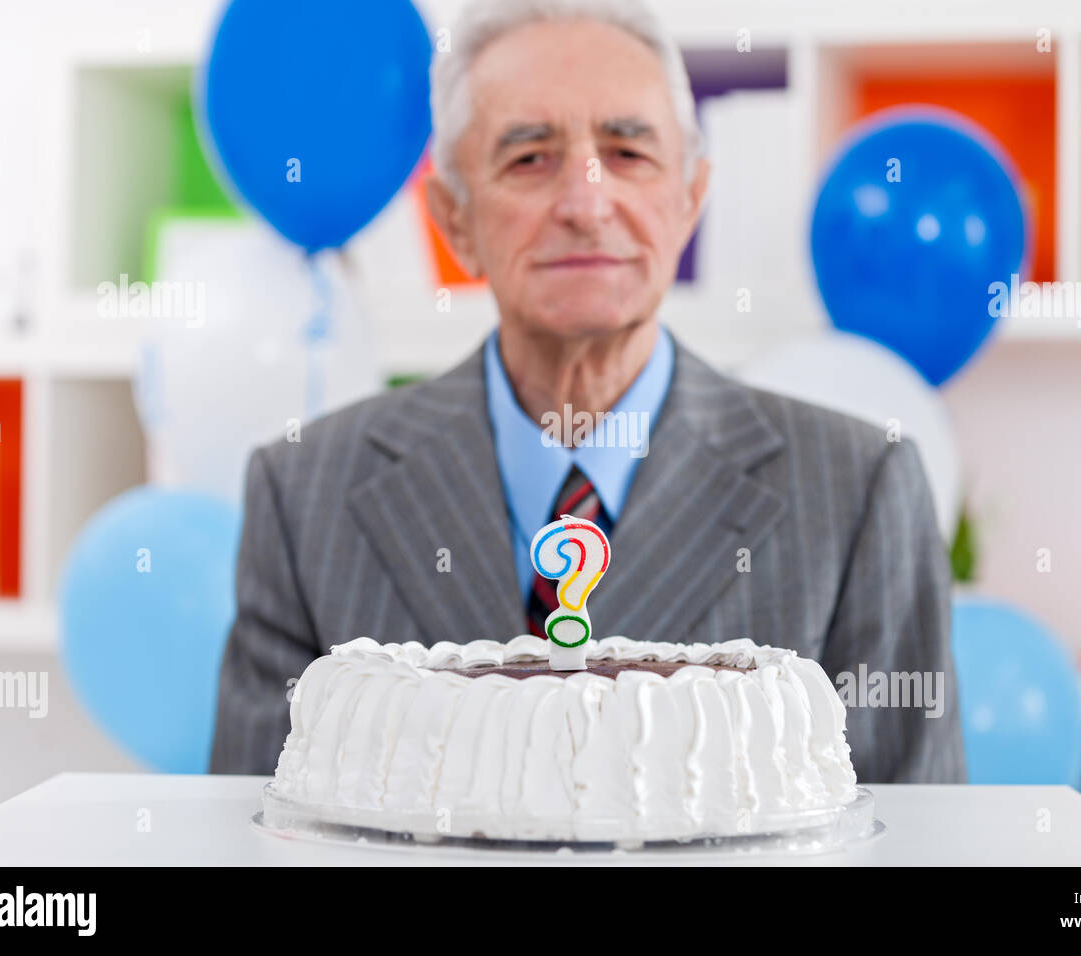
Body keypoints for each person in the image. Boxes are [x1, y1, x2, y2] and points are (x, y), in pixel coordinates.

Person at [209, 0, 966, 784]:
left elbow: (910, 838)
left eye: (628, 152)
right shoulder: (303, 495)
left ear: (689, 199)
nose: (585, 203)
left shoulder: (857, 489)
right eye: (530, 157)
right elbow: (249, 834)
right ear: (454, 220)